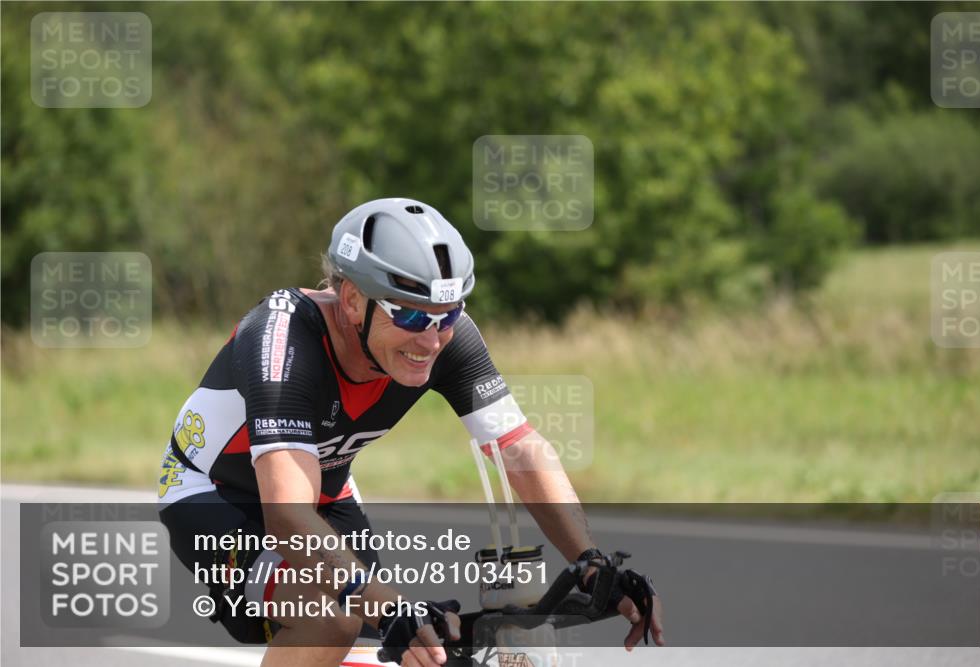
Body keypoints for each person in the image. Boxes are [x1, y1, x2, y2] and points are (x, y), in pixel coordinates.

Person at [158, 197, 664, 666]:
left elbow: (520, 450)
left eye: (449, 314)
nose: (431, 338)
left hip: (323, 490)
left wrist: (592, 562)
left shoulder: (444, 336)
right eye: (411, 312)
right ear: (352, 300)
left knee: (415, 640)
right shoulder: (284, 340)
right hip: (215, 496)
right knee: (334, 616)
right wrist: (382, 601)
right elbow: (287, 516)